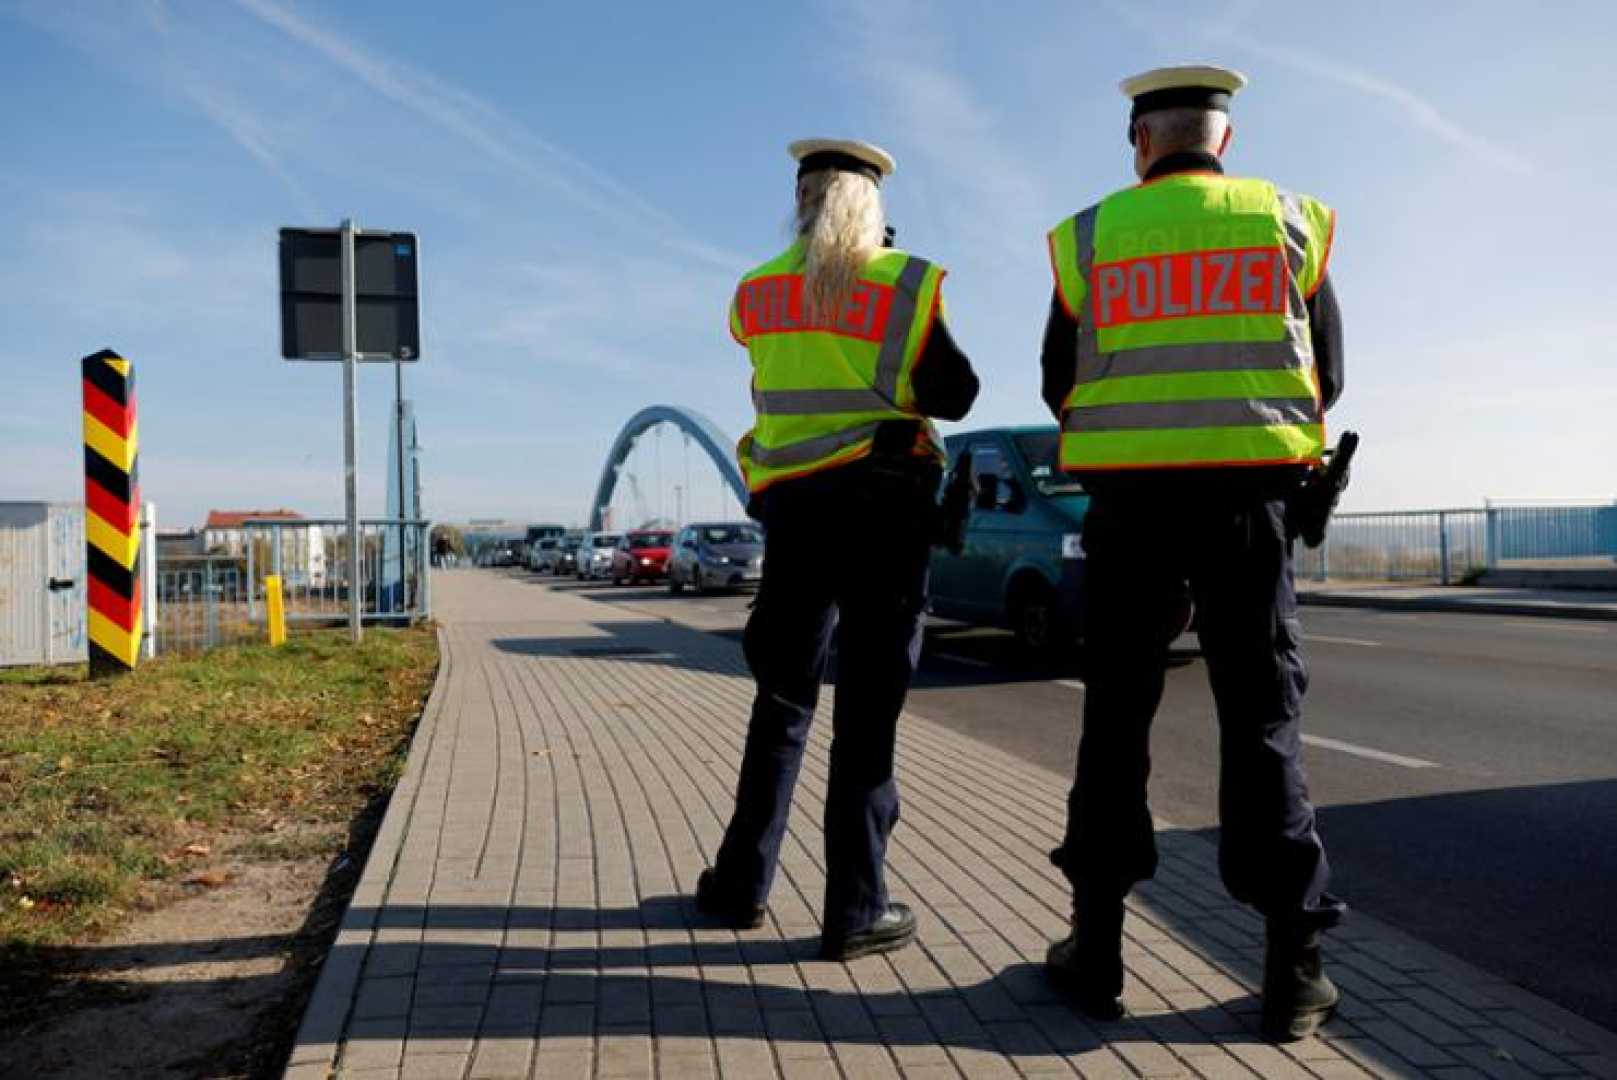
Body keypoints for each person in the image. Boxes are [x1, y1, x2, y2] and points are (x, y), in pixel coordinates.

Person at [1039, 66, 1347, 1040]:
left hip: (1129, 510)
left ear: (1141, 143)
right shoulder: (1286, 220)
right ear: (1225, 141)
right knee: (1262, 722)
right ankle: (1293, 973)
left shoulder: (1090, 237)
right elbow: (1327, 372)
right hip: (1249, 505)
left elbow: (1059, 382)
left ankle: (1096, 954)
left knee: (1115, 721)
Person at [696, 138, 979, 961]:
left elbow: (774, 374)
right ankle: (855, 908)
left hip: (796, 515)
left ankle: (741, 884)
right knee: (866, 715)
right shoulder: (901, 283)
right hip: (886, 514)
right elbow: (954, 394)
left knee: (781, 702)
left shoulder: (757, 291)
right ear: (873, 210)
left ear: (800, 200)